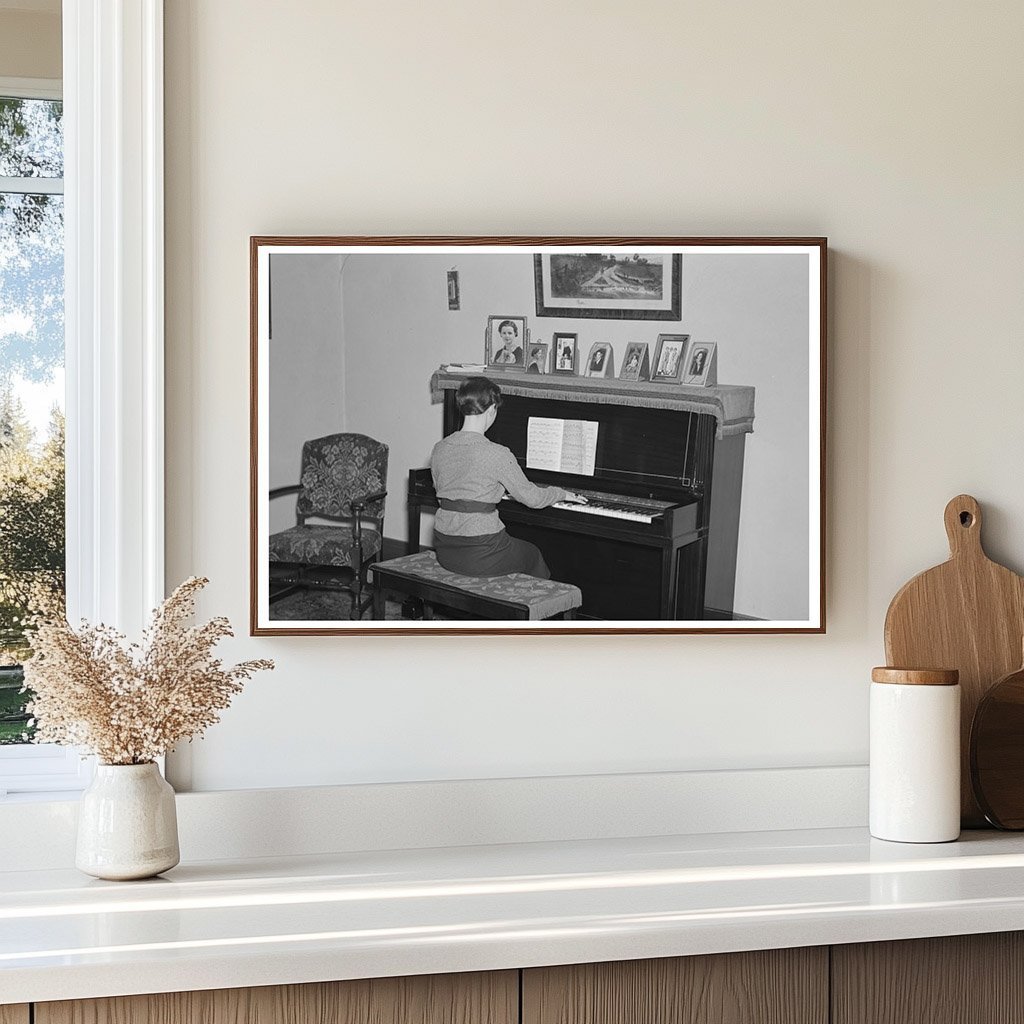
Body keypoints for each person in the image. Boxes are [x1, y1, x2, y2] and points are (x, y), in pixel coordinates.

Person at [430, 377, 586, 578]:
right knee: (533, 554)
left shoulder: (440, 448)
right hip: (480, 551)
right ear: (492, 408)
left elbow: (443, 494)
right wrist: (561, 493)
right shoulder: (497, 453)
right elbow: (533, 499)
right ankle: (535, 607)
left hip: (445, 548)